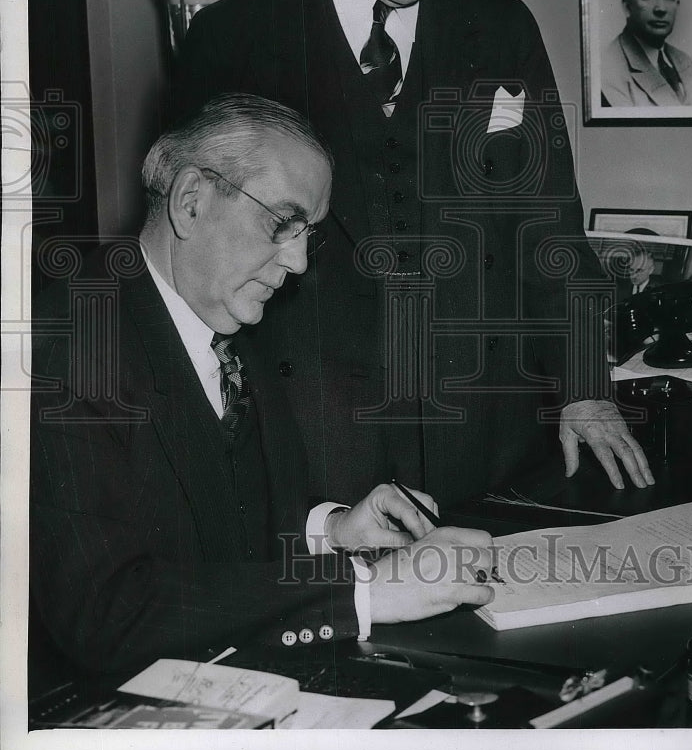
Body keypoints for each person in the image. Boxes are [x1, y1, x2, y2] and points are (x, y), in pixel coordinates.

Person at [175, 0, 654, 506]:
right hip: (306, 432)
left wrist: (585, 389)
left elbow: (547, 225)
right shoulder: (235, 36)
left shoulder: (499, 30)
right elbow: (193, 250)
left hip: (484, 432)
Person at [30, 95, 496, 679]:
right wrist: (364, 589)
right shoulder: (62, 350)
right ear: (190, 202)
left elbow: (209, 533)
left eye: (308, 234)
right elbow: (107, 612)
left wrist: (331, 532)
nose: (299, 262)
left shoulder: (224, 319)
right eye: (282, 223)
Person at [601, 0, 692, 107]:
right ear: (627, 7)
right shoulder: (609, 71)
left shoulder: (687, 62)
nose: (661, 9)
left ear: (677, 6)